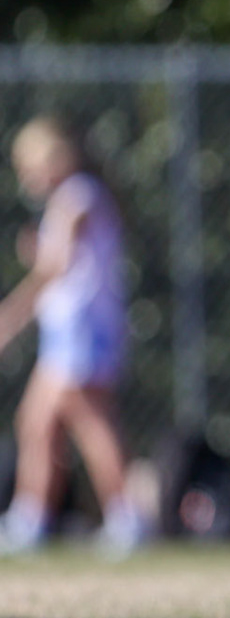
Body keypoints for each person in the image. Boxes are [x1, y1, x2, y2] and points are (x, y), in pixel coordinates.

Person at [0, 117, 144, 556]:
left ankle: (127, 518)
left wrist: (9, 317)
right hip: (67, 330)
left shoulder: (77, 195)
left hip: (84, 329)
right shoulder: (74, 198)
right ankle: (30, 519)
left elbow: (54, 266)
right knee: (37, 423)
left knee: (91, 422)